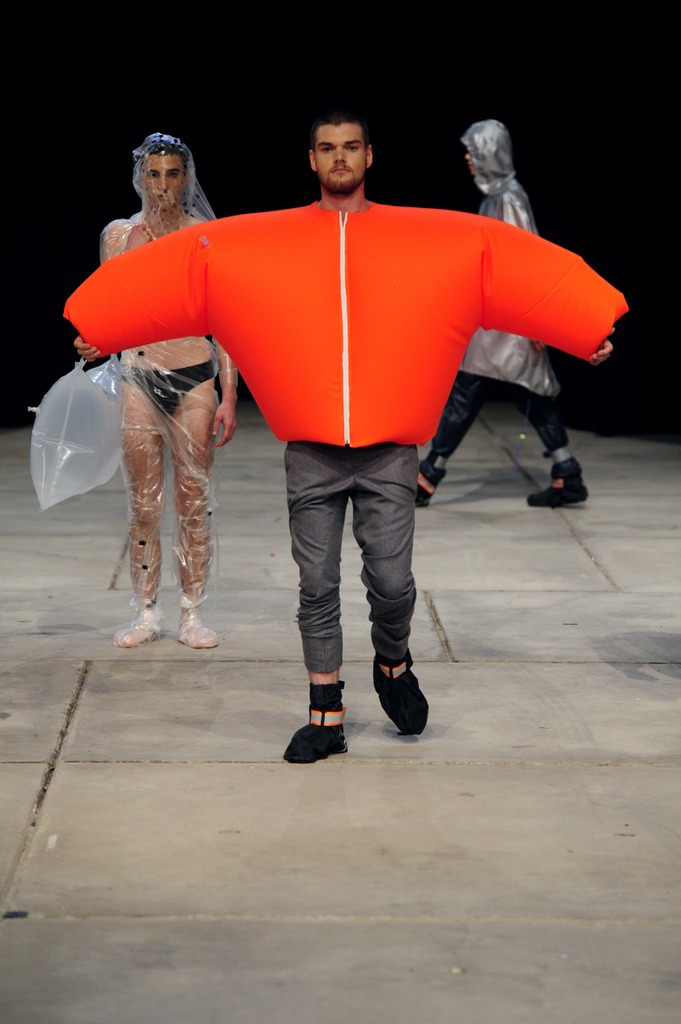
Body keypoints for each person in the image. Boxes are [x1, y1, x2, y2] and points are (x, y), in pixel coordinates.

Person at [67, 109, 626, 763]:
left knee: (391, 584)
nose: (339, 157)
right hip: (311, 451)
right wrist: (101, 328)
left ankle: (392, 661)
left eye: (351, 147)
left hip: (389, 451)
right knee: (316, 584)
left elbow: (498, 260)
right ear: (312, 160)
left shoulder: (422, 238)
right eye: (327, 148)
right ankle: (325, 714)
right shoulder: (266, 240)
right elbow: (188, 272)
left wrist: (584, 326)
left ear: (368, 156)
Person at [75, 132, 238, 649]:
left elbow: (225, 321)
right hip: (139, 377)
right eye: (153, 174)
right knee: (143, 505)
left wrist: (229, 394)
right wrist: (93, 341)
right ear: (139, 178)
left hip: (193, 378)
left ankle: (191, 613)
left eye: (172, 174)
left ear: (186, 179)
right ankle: (146, 611)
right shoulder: (119, 238)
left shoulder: (205, 237)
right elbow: (110, 311)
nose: (162, 185)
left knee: (193, 501)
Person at [416, 118, 593, 509]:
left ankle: (428, 475)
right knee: (526, 391)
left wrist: (535, 322)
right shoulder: (497, 196)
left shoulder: (508, 197)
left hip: (508, 323)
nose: (468, 158)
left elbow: (524, 259)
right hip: (500, 320)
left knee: (476, 389)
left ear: (491, 153)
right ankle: (567, 472)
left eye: (474, 150)